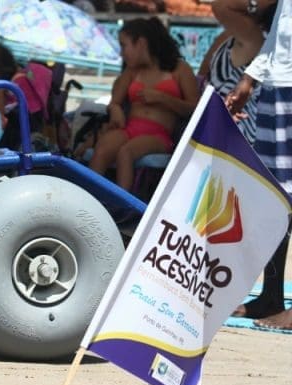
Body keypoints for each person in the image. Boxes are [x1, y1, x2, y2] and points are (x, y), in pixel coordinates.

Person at [224, 0, 292, 330]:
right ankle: (272, 295)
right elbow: (281, 31)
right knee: (276, 197)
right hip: (278, 86)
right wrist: (250, 79)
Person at [80, 17, 200, 191]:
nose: (122, 53)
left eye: (124, 45)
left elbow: (194, 108)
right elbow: (115, 101)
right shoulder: (131, 71)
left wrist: (162, 98)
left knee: (125, 153)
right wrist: (115, 110)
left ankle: (123, 206)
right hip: (131, 128)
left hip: (159, 134)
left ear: (141, 43)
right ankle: (88, 203)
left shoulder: (179, 68)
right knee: (102, 149)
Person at [199, 0, 277, 144]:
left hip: (232, 139)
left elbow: (221, 6)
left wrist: (258, 5)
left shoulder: (254, 37)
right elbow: (203, 76)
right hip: (221, 131)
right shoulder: (236, 36)